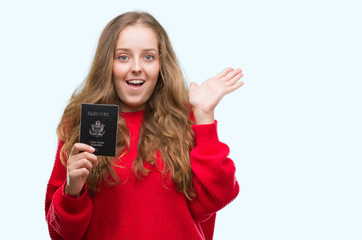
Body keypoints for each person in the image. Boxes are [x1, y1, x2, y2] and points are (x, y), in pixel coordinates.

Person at [45, 11, 243, 240]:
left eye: (148, 57)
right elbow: (61, 234)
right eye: (123, 57)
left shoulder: (186, 120)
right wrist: (72, 190)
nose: (136, 67)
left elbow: (217, 198)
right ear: (107, 63)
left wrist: (204, 116)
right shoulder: (80, 125)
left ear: (161, 64)